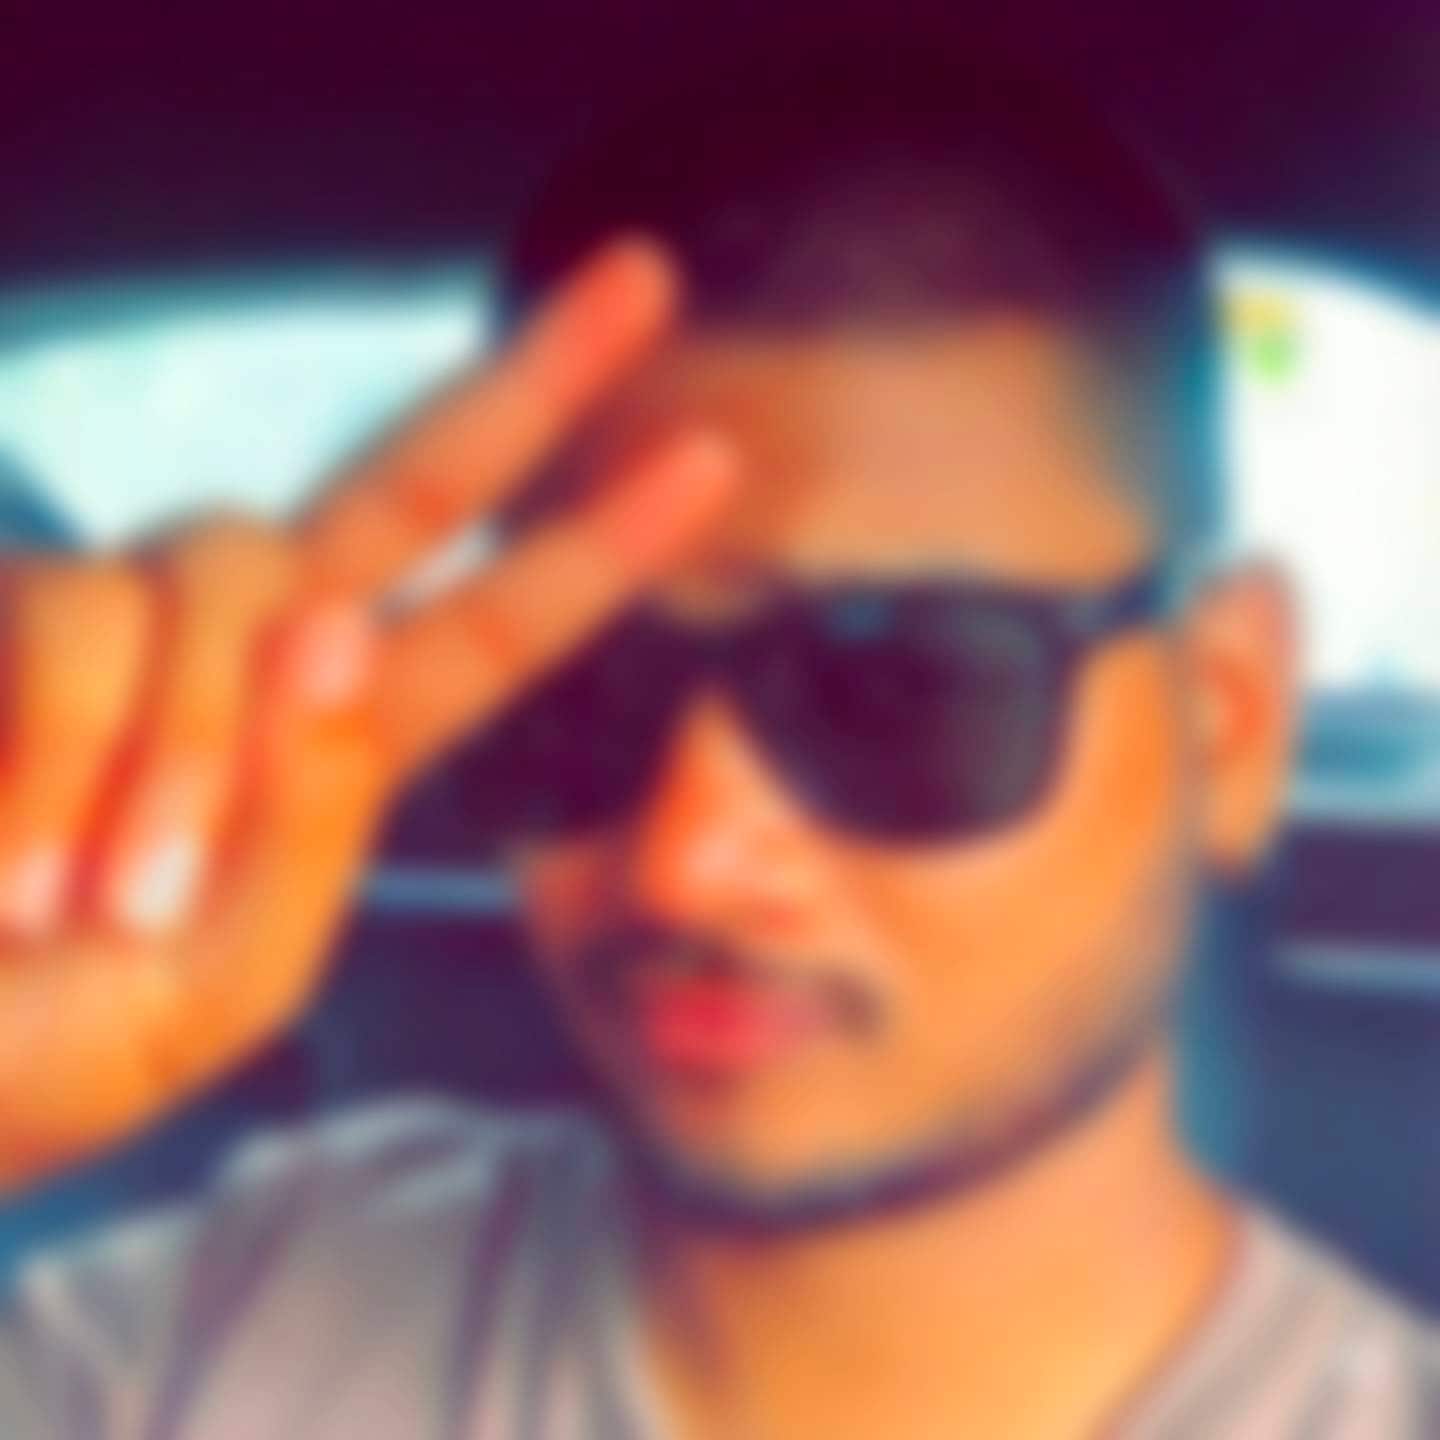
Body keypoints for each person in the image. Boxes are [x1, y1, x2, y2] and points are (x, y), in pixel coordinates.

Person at [0, 39, 1433, 1440]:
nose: (685, 865)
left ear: (1230, 720)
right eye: (575, 687)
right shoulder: (217, 1318)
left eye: (897, 693)